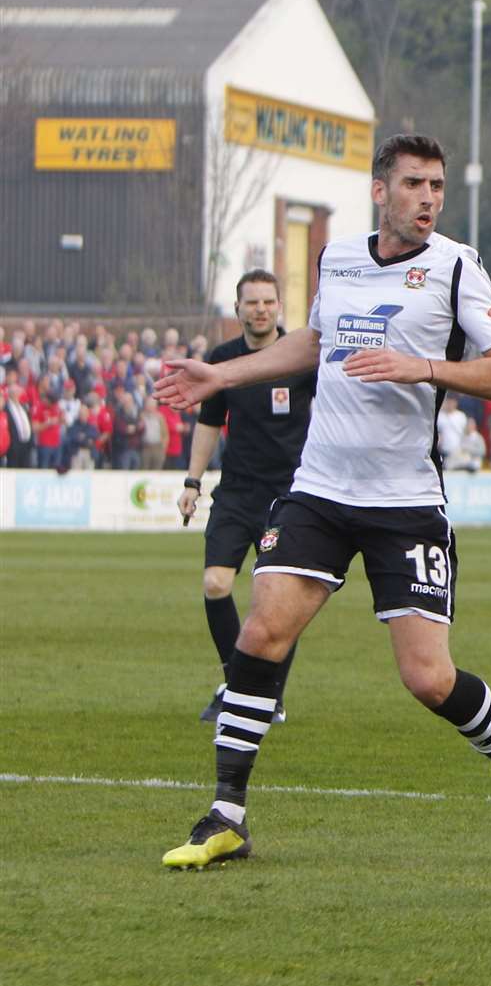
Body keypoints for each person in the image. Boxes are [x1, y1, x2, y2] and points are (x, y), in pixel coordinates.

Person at [155, 133, 491, 870]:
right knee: (262, 632)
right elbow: (313, 343)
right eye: (413, 184)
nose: (428, 198)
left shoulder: (457, 266)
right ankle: (226, 815)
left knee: (427, 678)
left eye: (436, 185)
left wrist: (422, 367)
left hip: (404, 502)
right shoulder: (336, 256)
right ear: (381, 191)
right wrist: (224, 376)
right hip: (319, 489)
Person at [176, 270, 317, 725]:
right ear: (237, 310)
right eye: (251, 302)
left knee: (281, 603)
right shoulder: (223, 360)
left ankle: (268, 695)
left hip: (289, 498)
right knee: (216, 583)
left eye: (267, 302)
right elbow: (208, 424)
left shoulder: (300, 359)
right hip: (236, 493)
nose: (260, 309)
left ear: (279, 307)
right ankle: (239, 683)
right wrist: (192, 483)